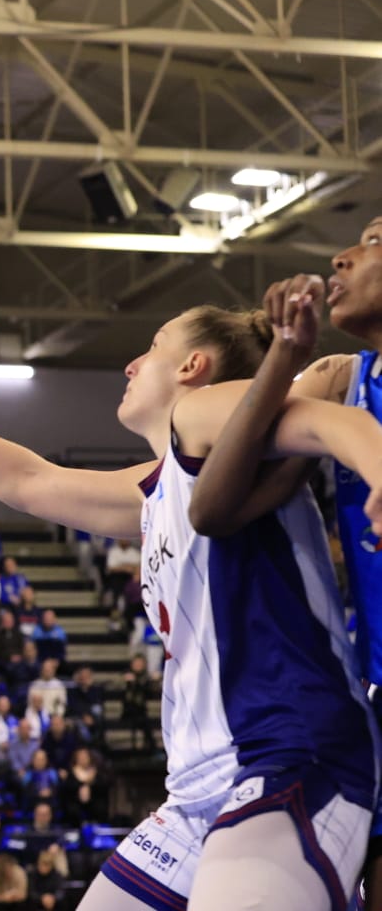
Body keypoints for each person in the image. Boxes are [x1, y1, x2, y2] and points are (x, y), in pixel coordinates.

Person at [0, 306, 382, 910]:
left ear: (193, 366)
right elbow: (26, 481)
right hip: (198, 784)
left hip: (291, 752)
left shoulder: (203, 412)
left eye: (151, 346)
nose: (131, 362)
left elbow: (331, 421)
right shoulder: (157, 485)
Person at [185, 235, 382, 910]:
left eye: (376, 241)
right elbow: (213, 507)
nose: (342, 257)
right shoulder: (339, 378)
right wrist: (283, 358)